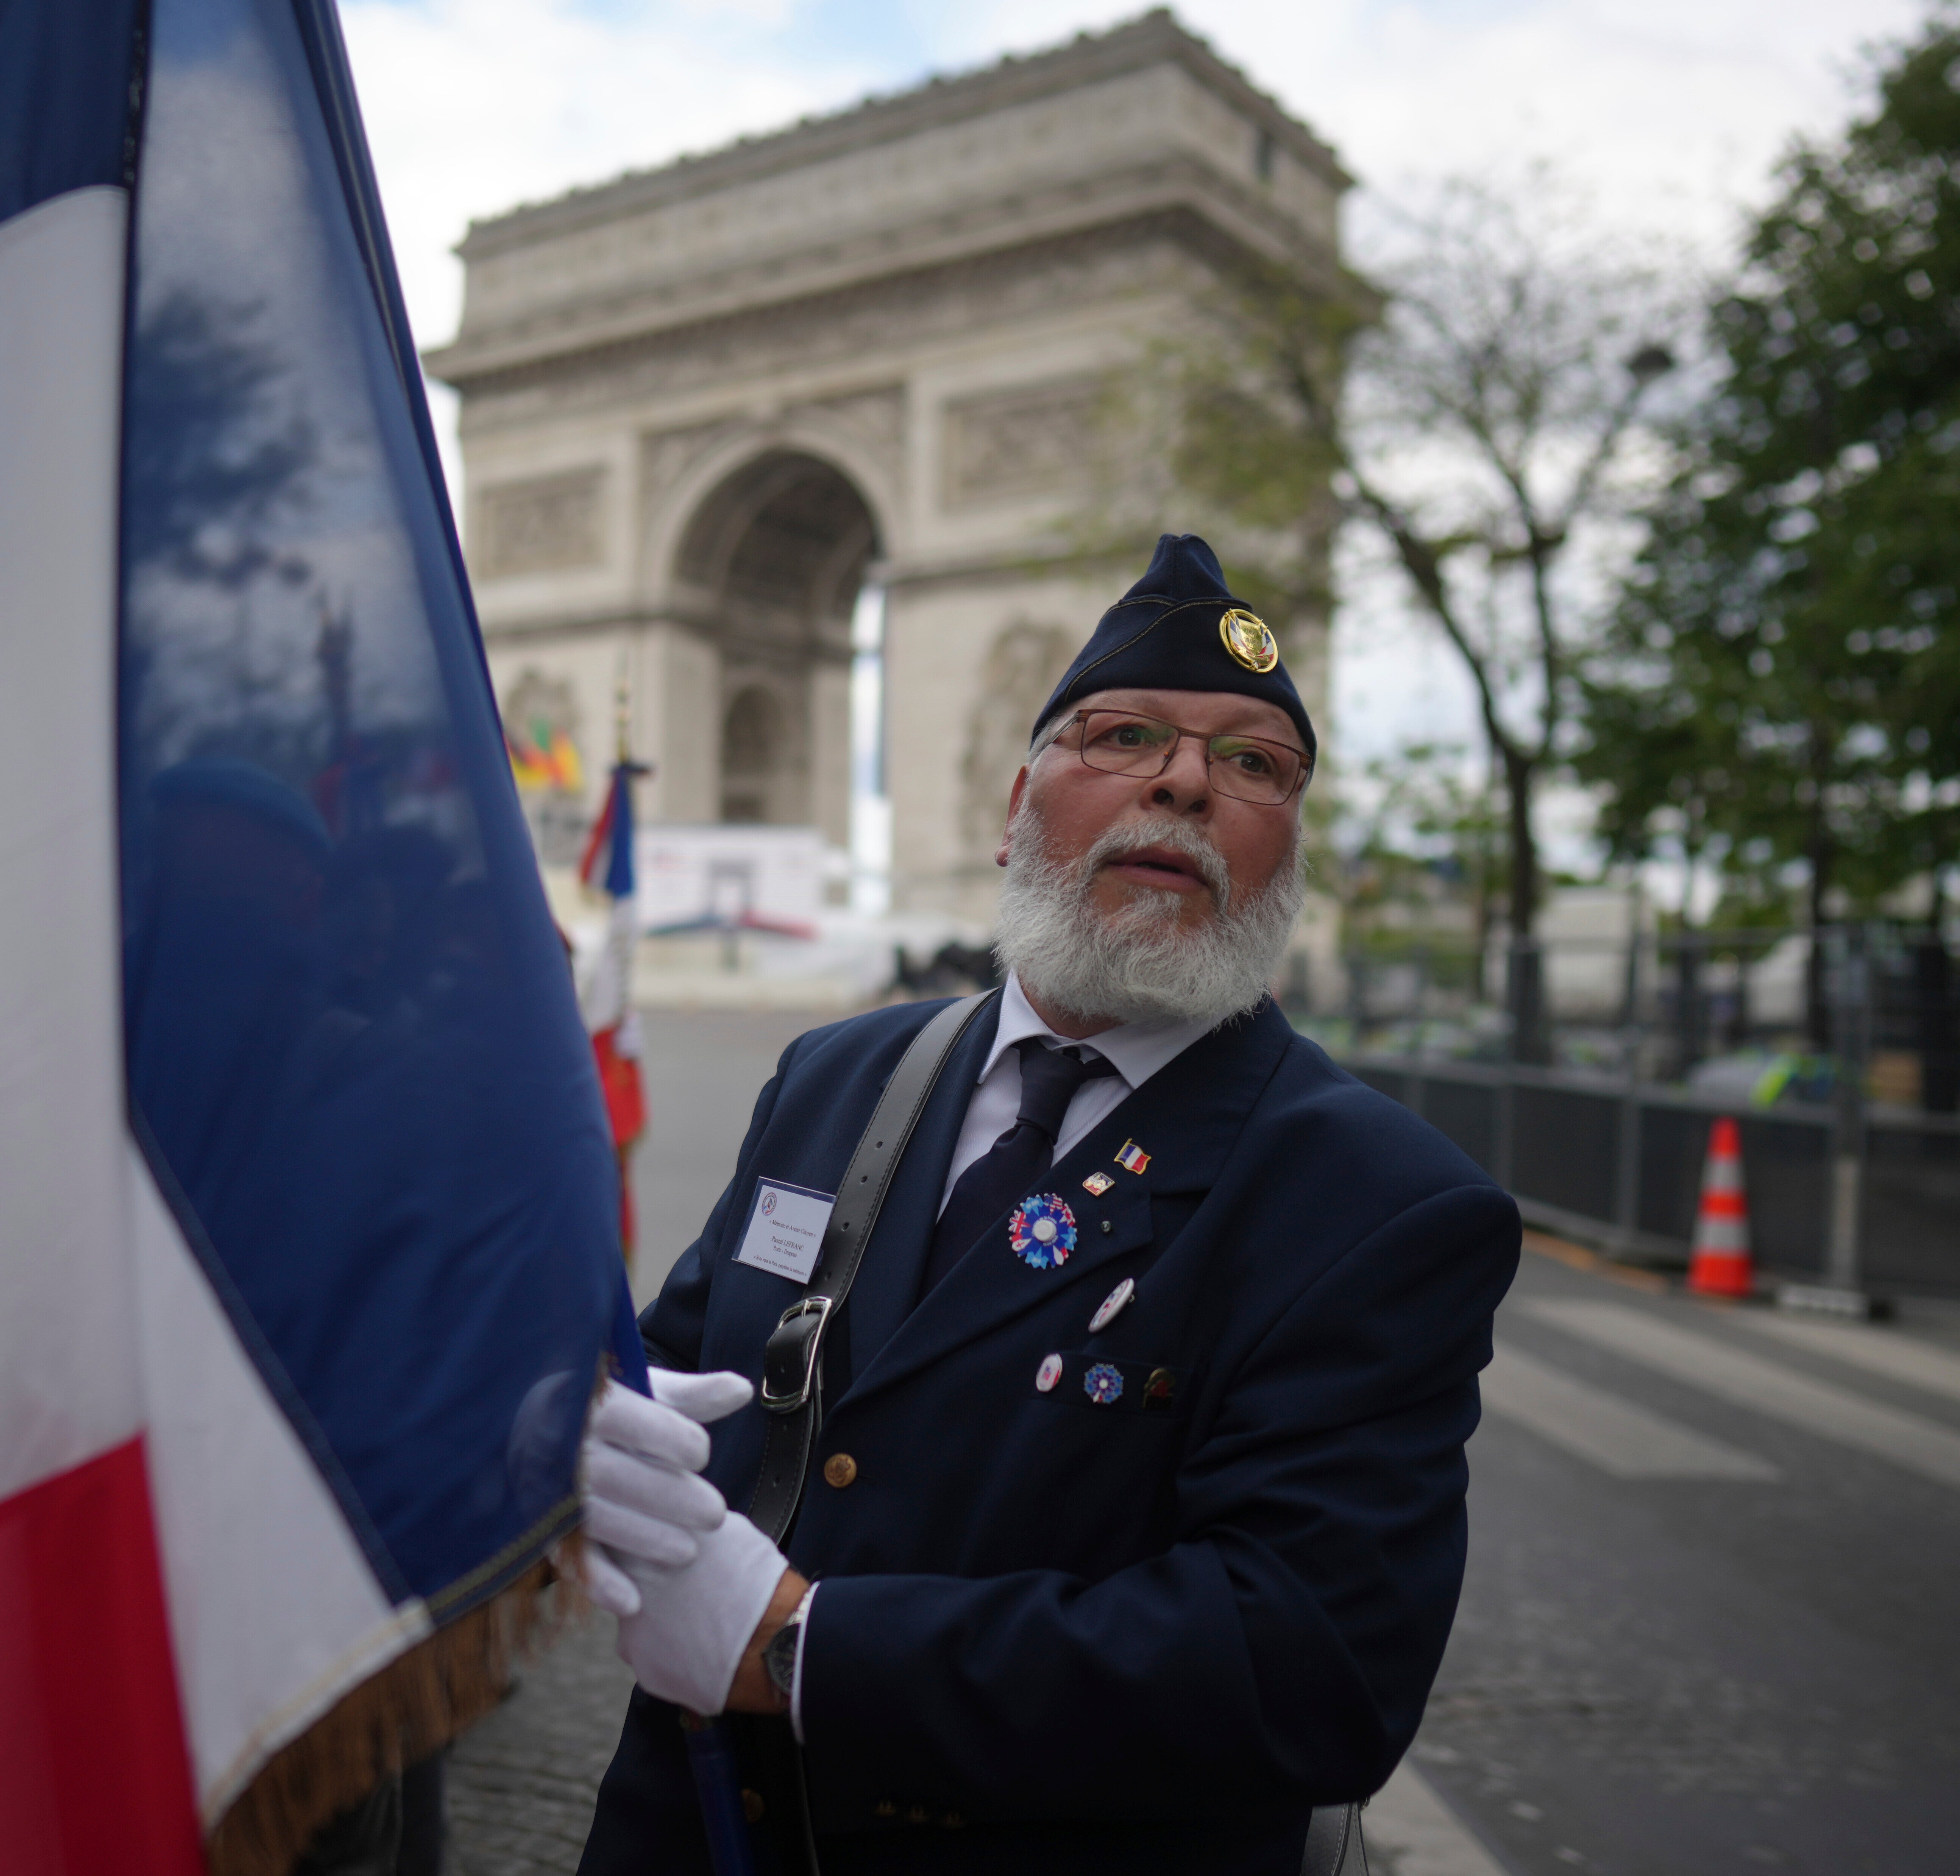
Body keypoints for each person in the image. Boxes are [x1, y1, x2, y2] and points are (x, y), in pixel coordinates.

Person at [572, 536, 1521, 1874]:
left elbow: (1311, 1667)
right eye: (1124, 733)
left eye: (1255, 763)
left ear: (1288, 845)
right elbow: (687, 1358)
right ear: (1014, 799)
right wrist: (585, 1419)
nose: (1186, 779)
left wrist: (804, 1648)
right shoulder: (836, 1074)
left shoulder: (1382, 1201)